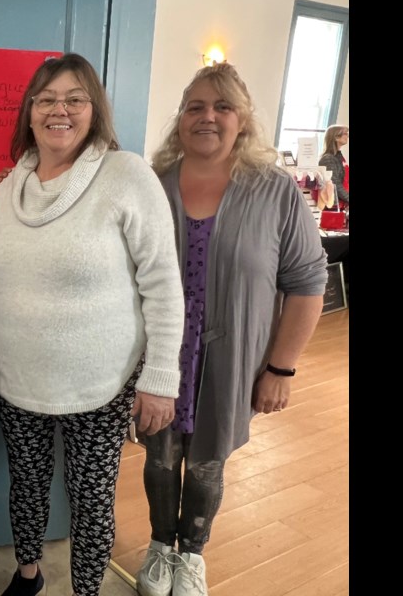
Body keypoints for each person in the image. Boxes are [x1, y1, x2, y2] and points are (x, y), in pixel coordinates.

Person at [0, 53, 185, 596]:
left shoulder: (126, 175)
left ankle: (86, 591)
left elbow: (164, 284)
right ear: (30, 112)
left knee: (91, 500)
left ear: (94, 110)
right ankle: (29, 574)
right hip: (16, 378)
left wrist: (159, 379)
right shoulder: (11, 185)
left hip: (101, 385)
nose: (60, 109)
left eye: (75, 98)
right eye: (47, 99)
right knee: (27, 486)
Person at [135, 63, 328, 596]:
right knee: (160, 455)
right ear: (180, 120)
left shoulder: (275, 191)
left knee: (206, 459)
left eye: (222, 107)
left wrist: (281, 368)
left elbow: (308, 281)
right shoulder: (152, 186)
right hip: (161, 356)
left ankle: (192, 552)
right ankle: (158, 544)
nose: (208, 117)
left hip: (233, 354)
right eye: (195, 106)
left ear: (242, 120)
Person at [318, 124, 349, 210]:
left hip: (342, 204)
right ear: (336, 138)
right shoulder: (328, 159)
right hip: (333, 206)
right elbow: (335, 185)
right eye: (345, 134)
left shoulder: (339, 156)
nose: (348, 136)